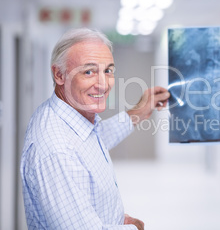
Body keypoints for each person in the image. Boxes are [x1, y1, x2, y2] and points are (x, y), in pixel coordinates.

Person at [20, 28, 170, 230]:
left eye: (108, 71)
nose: (103, 84)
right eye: (88, 71)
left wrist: (140, 111)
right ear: (59, 74)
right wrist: (134, 228)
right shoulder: (56, 150)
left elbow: (92, 142)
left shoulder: (66, 117)